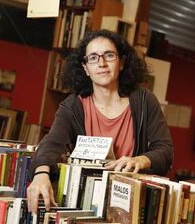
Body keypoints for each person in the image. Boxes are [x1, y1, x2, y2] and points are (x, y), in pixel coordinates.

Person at [27, 29, 173, 213]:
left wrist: (141, 160)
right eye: (93, 58)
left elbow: (165, 152)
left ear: (121, 62)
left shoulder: (145, 101)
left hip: (130, 203)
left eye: (109, 55)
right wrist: (41, 174)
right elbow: (51, 143)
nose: (102, 63)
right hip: (83, 202)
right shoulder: (73, 106)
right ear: (86, 68)